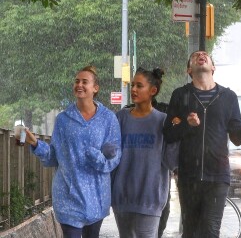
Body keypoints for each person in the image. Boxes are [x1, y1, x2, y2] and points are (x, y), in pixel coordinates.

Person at [163, 51, 241, 238]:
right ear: (189, 69)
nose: (201, 55)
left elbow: (237, 137)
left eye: (205, 55)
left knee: (211, 231)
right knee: (190, 232)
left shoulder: (228, 97)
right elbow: (168, 134)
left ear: (213, 67)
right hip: (188, 177)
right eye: (195, 56)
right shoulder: (180, 95)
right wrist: (187, 124)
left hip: (217, 176)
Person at [24, 65, 121, 238]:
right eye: (77, 81)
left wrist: (97, 157)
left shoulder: (108, 119)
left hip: (97, 197)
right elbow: (53, 157)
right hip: (68, 195)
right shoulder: (63, 119)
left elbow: (114, 158)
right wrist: (36, 144)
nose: (79, 85)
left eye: (85, 82)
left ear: (95, 88)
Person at [112, 67, 173, 238]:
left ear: (153, 90)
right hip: (122, 197)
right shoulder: (121, 117)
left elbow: (171, 162)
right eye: (132, 85)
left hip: (150, 199)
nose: (133, 89)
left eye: (139, 86)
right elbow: (112, 153)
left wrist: (179, 133)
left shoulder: (162, 121)